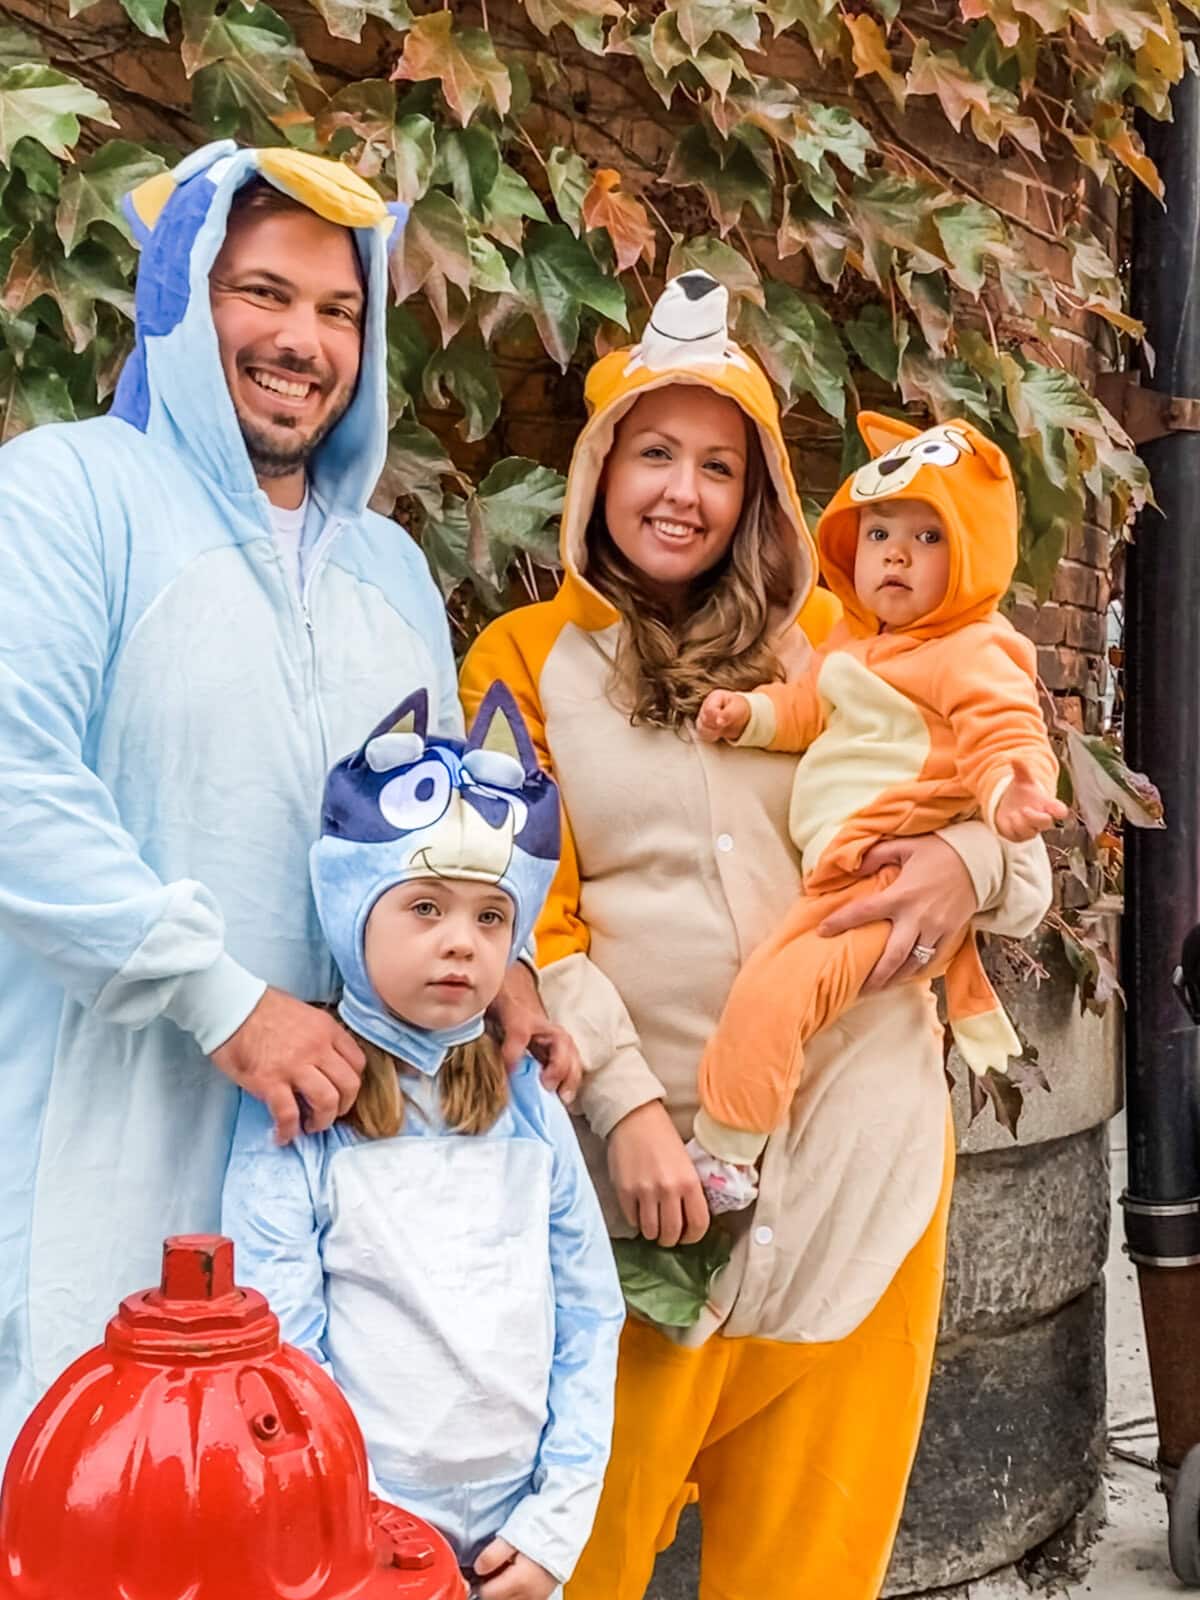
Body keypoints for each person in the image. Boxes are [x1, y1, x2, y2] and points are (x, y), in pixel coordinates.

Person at [460, 270, 1053, 1599]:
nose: (682, 491)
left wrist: (965, 863)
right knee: (578, 1561)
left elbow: (1016, 844)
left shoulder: (851, 644)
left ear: (758, 493)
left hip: (864, 1170)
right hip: (654, 1194)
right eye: (652, 453)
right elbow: (515, 919)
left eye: (717, 465)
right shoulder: (520, 662)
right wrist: (624, 1113)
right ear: (599, 471)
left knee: (807, 1575)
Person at [0, 140, 572, 1459]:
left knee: (303, 1498)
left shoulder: (389, 569)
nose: (301, 342)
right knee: (93, 1493)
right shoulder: (66, 496)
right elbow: (17, 781)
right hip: (99, 1149)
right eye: (261, 293)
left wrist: (510, 971)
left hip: (334, 1170)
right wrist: (221, 999)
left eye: (337, 309)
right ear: (178, 297)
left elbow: (437, 841)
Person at [222, 682, 624, 1600]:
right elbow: (283, 1347)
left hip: (519, 1543)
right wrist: (350, 1527)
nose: (461, 944)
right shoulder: (304, 1111)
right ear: (350, 909)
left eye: (490, 918)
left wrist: (556, 1526)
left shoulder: (528, 1104)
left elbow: (590, 1315)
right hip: (357, 1543)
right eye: (424, 909)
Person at [687, 414, 1065, 1208]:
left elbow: (1001, 728)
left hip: (881, 870)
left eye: (930, 538)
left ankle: (726, 1150)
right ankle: (741, 1135)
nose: (895, 553)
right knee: (773, 988)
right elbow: (807, 712)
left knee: (775, 995)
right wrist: (749, 716)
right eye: (880, 530)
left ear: (974, 554)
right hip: (842, 874)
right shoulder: (853, 650)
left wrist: (1012, 789)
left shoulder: (970, 648)